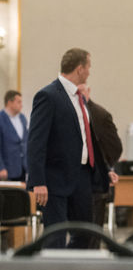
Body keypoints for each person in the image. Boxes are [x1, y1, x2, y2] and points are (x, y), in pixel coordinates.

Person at [27, 48, 109, 248]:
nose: (89, 72)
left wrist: (106, 169)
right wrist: (38, 181)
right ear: (80, 69)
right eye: (88, 67)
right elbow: (36, 141)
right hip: (54, 179)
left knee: (84, 232)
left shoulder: (79, 98)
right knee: (55, 236)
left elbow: (87, 139)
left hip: (82, 177)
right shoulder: (48, 95)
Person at [77, 85, 122, 248]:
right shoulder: (71, 111)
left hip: (95, 181)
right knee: (79, 231)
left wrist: (105, 168)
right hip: (75, 182)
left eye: (81, 91)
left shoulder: (100, 115)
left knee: (93, 231)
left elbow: (115, 147)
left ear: (88, 91)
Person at [0, 90, 28, 181]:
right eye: (19, 102)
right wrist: (1, 168)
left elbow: (25, 142)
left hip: (23, 168)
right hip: (7, 170)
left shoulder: (22, 118)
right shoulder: (1, 119)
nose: (21, 105)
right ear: (10, 102)